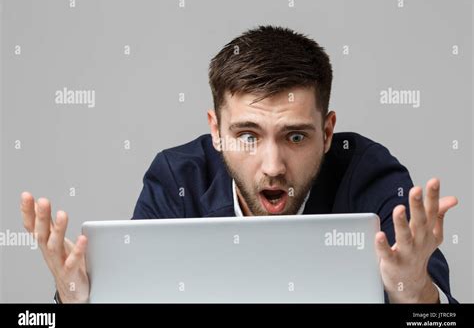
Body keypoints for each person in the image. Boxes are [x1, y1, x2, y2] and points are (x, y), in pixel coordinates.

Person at [20, 25, 458, 303]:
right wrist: (76, 302)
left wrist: (413, 291)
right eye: (248, 136)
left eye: (296, 136)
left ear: (327, 134)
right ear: (216, 131)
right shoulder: (178, 179)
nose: (273, 166)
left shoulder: (370, 174)